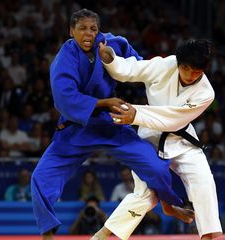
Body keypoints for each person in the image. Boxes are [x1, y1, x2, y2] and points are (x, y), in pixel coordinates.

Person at [31, 8, 189, 240]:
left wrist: (112, 60)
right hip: (78, 126)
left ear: (99, 30)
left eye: (93, 28)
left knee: (154, 165)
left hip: (110, 122)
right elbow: (65, 98)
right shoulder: (65, 58)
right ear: (71, 31)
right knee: (41, 176)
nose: (88, 34)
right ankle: (47, 233)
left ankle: (167, 202)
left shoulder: (111, 43)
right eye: (82, 28)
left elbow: (139, 67)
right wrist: (104, 102)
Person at [92, 39, 223, 240]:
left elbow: (173, 119)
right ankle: (103, 235)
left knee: (203, 180)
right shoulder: (165, 65)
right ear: (178, 62)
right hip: (149, 138)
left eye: (197, 72)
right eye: (186, 69)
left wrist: (136, 114)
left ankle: (209, 236)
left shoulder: (206, 93)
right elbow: (133, 69)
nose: (190, 75)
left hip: (182, 140)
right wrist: (111, 60)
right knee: (146, 195)